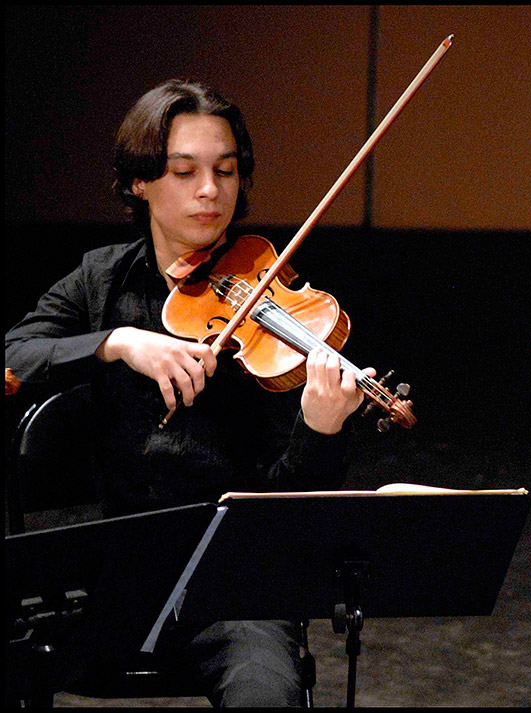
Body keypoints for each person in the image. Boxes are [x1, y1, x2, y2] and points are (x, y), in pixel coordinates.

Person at [5, 79, 372, 706]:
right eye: (184, 172)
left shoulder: (272, 299)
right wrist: (117, 341)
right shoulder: (101, 279)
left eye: (225, 171)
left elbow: (293, 506)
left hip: (237, 581)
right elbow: (13, 355)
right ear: (138, 182)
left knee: (266, 693)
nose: (210, 191)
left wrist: (322, 427)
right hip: (116, 574)